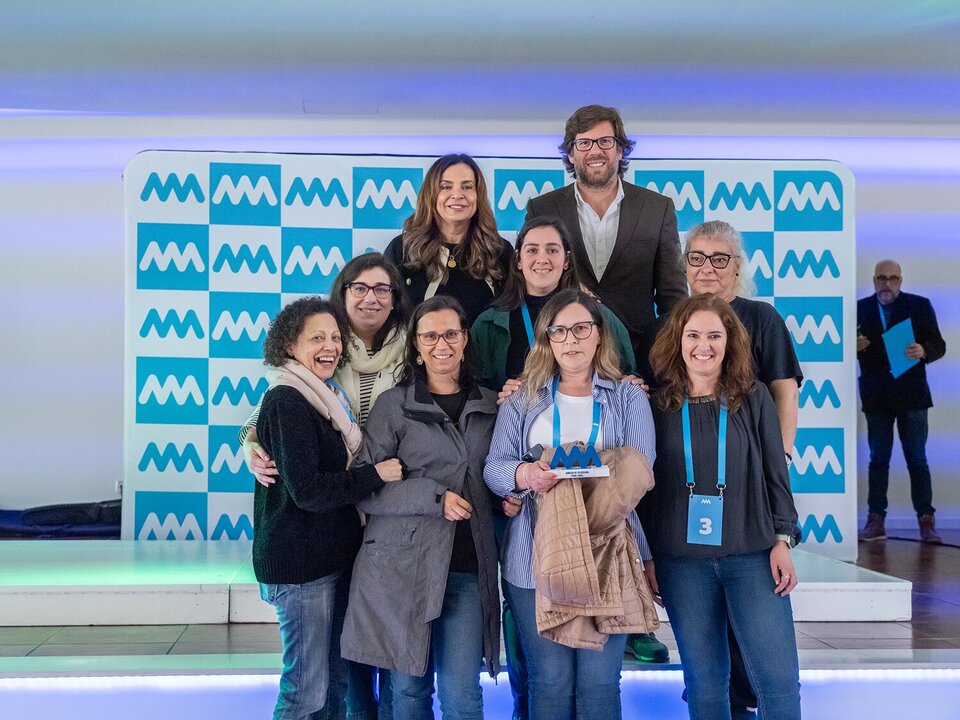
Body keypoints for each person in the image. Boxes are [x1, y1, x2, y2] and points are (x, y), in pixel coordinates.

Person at [244, 253, 410, 720]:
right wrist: (375, 475)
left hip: (337, 552)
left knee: (333, 686)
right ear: (289, 346)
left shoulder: (330, 390)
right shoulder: (290, 395)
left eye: (334, 338)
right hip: (302, 563)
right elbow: (309, 489)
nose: (330, 346)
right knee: (306, 692)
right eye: (317, 338)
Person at [485, 289, 657, 720]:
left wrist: (572, 472)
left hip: (608, 556)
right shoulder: (524, 397)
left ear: (599, 334)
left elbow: (640, 469)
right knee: (550, 681)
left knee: (599, 684)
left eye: (581, 328)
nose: (571, 339)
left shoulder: (628, 396)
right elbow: (495, 468)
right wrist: (526, 475)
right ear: (547, 339)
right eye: (559, 331)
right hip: (534, 559)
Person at [340, 296, 501, 720]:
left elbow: (499, 471)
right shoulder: (393, 405)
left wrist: (511, 495)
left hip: (467, 568)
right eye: (430, 336)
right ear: (415, 345)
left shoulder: (492, 405)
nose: (441, 344)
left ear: (465, 340)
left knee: (462, 695)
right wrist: (433, 498)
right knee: (409, 690)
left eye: (450, 334)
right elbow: (364, 489)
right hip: (401, 568)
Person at [644, 293, 802, 720]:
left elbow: (775, 474)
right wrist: (647, 556)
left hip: (752, 555)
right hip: (681, 564)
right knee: (705, 685)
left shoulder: (754, 398)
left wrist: (783, 539)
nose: (704, 345)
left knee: (779, 682)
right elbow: (645, 492)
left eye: (715, 336)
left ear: (730, 342)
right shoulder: (656, 406)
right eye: (693, 335)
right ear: (677, 341)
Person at [683, 220, 803, 718]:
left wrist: (779, 458)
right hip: (691, 508)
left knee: (762, 647)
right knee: (708, 663)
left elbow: (784, 390)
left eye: (720, 259)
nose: (707, 268)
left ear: (737, 267)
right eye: (697, 257)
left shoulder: (761, 318)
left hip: (749, 495)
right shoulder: (674, 322)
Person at [525, 104, 687, 379]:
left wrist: (666, 363)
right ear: (571, 153)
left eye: (605, 141)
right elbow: (532, 289)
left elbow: (673, 300)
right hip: (563, 364)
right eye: (584, 143)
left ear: (620, 149)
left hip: (639, 363)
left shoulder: (656, 208)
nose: (595, 151)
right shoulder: (543, 209)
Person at [471, 215, 637, 391]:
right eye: (532, 250)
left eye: (552, 250)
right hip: (518, 409)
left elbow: (628, 377)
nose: (542, 259)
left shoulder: (600, 317)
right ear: (518, 260)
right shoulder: (488, 324)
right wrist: (499, 398)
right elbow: (476, 392)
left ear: (566, 260)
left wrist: (632, 383)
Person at [856, 260, 946, 544]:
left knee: (917, 460)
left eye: (893, 279)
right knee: (877, 461)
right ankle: (875, 521)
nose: (887, 284)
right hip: (877, 397)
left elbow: (939, 345)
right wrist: (851, 347)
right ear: (874, 281)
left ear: (901, 281)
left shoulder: (919, 305)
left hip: (912, 397)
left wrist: (923, 350)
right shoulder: (859, 309)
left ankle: (926, 522)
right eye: (882, 278)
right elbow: (842, 349)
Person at [384, 153, 514, 325]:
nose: (457, 194)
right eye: (446, 187)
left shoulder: (499, 251)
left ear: (478, 195)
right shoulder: (402, 248)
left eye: (467, 187)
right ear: (431, 194)